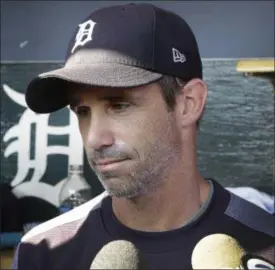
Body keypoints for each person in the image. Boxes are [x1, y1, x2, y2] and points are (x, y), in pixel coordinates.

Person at [13, 3, 274, 269]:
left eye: (119, 105)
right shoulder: (42, 252)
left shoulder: (266, 244)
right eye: (82, 111)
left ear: (189, 104)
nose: (94, 139)